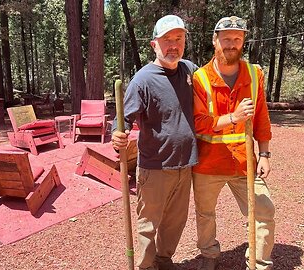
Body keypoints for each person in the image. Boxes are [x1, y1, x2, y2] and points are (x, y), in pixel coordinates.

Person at [112, 15, 198, 270]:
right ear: (154, 45)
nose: (173, 45)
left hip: (186, 164)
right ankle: (146, 266)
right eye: (167, 39)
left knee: (175, 221)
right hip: (155, 166)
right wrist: (118, 133)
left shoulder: (190, 71)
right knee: (148, 223)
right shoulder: (143, 80)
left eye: (178, 39)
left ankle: (164, 260)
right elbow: (122, 118)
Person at [192, 16, 275, 270]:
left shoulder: (254, 73)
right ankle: (209, 255)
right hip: (208, 162)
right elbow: (197, 122)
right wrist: (233, 117)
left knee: (264, 212)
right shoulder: (199, 78)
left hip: (244, 162)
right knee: (205, 215)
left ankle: (259, 262)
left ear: (243, 41)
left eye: (237, 39)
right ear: (215, 40)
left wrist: (265, 154)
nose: (232, 44)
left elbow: (261, 115)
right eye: (226, 38)